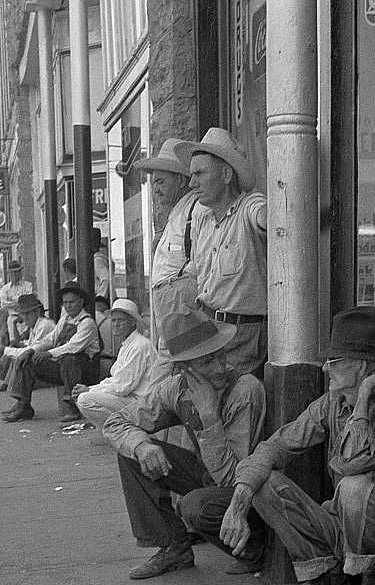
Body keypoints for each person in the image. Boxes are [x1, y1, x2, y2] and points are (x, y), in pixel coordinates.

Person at [212, 306, 375, 585]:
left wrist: (365, 398)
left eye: (336, 361)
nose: (326, 368)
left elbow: (352, 462)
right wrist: (239, 503)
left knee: (355, 486)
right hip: (341, 530)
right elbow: (274, 446)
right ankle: (325, 570)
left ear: (363, 368)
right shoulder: (330, 404)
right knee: (264, 482)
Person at [103, 308, 266, 579]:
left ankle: (254, 548)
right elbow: (116, 423)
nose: (220, 367)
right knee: (131, 453)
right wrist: (142, 446)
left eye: (220, 355)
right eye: (206, 362)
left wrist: (210, 417)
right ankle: (173, 547)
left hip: (246, 493)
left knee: (194, 505)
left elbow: (233, 479)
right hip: (208, 477)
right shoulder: (176, 388)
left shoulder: (244, 390)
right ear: (183, 369)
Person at [174, 127, 267, 376]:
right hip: (206, 328)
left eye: (200, 173)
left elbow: (267, 217)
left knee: (225, 398)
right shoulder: (201, 220)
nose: (192, 182)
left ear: (226, 174)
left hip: (242, 334)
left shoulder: (249, 206)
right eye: (191, 175)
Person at [2, 284, 100, 423]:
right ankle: (24, 405)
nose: (68, 306)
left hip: (86, 369)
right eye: (65, 303)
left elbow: (72, 347)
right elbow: (52, 338)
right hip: (64, 367)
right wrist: (32, 350)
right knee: (28, 359)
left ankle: (73, 406)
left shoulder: (87, 323)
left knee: (70, 360)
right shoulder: (65, 319)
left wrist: (48, 354)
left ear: (81, 301)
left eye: (71, 302)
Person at [135, 138, 200, 344]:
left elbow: (202, 262)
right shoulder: (177, 214)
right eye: (154, 182)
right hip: (171, 312)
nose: (155, 189)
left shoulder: (195, 210)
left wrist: (178, 294)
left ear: (181, 181)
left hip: (183, 313)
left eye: (160, 181)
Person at [74, 298, 157, 428]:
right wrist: (90, 389)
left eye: (121, 320)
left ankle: (125, 430)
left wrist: (90, 390)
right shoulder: (128, 344)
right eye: (113, 320)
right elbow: (116, 380)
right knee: (84, 397)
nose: (116, 324)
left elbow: (122, 387)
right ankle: (119, 430)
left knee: (85, 400)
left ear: (132, 323)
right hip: (132, 397)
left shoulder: (139, 346)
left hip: (141, 402)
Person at [0, 293, 56, 393]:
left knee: (19, 357)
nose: (24, 317)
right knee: (14, 351)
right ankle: (8, 382)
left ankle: (10, 383)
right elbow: (31, 344)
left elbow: (33, 349)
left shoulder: (44, 325)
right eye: (22, 314)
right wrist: (18, 344)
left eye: (27, 314)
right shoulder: (35, 325)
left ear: (37, 312)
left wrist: (4, 349)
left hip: (47, 360)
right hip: (39, 355)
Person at [0, 259, 33, 343]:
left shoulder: (28, 285)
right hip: (12, 318)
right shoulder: (5, 288)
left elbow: (28, 301)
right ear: (9, 273)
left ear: (20, 272)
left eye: (16, 272)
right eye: (12, 272)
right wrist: (19, 300)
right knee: (14, 342)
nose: (14, 274)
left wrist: (12, 299)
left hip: (26, 317)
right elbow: (4, 304)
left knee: (27, 341)